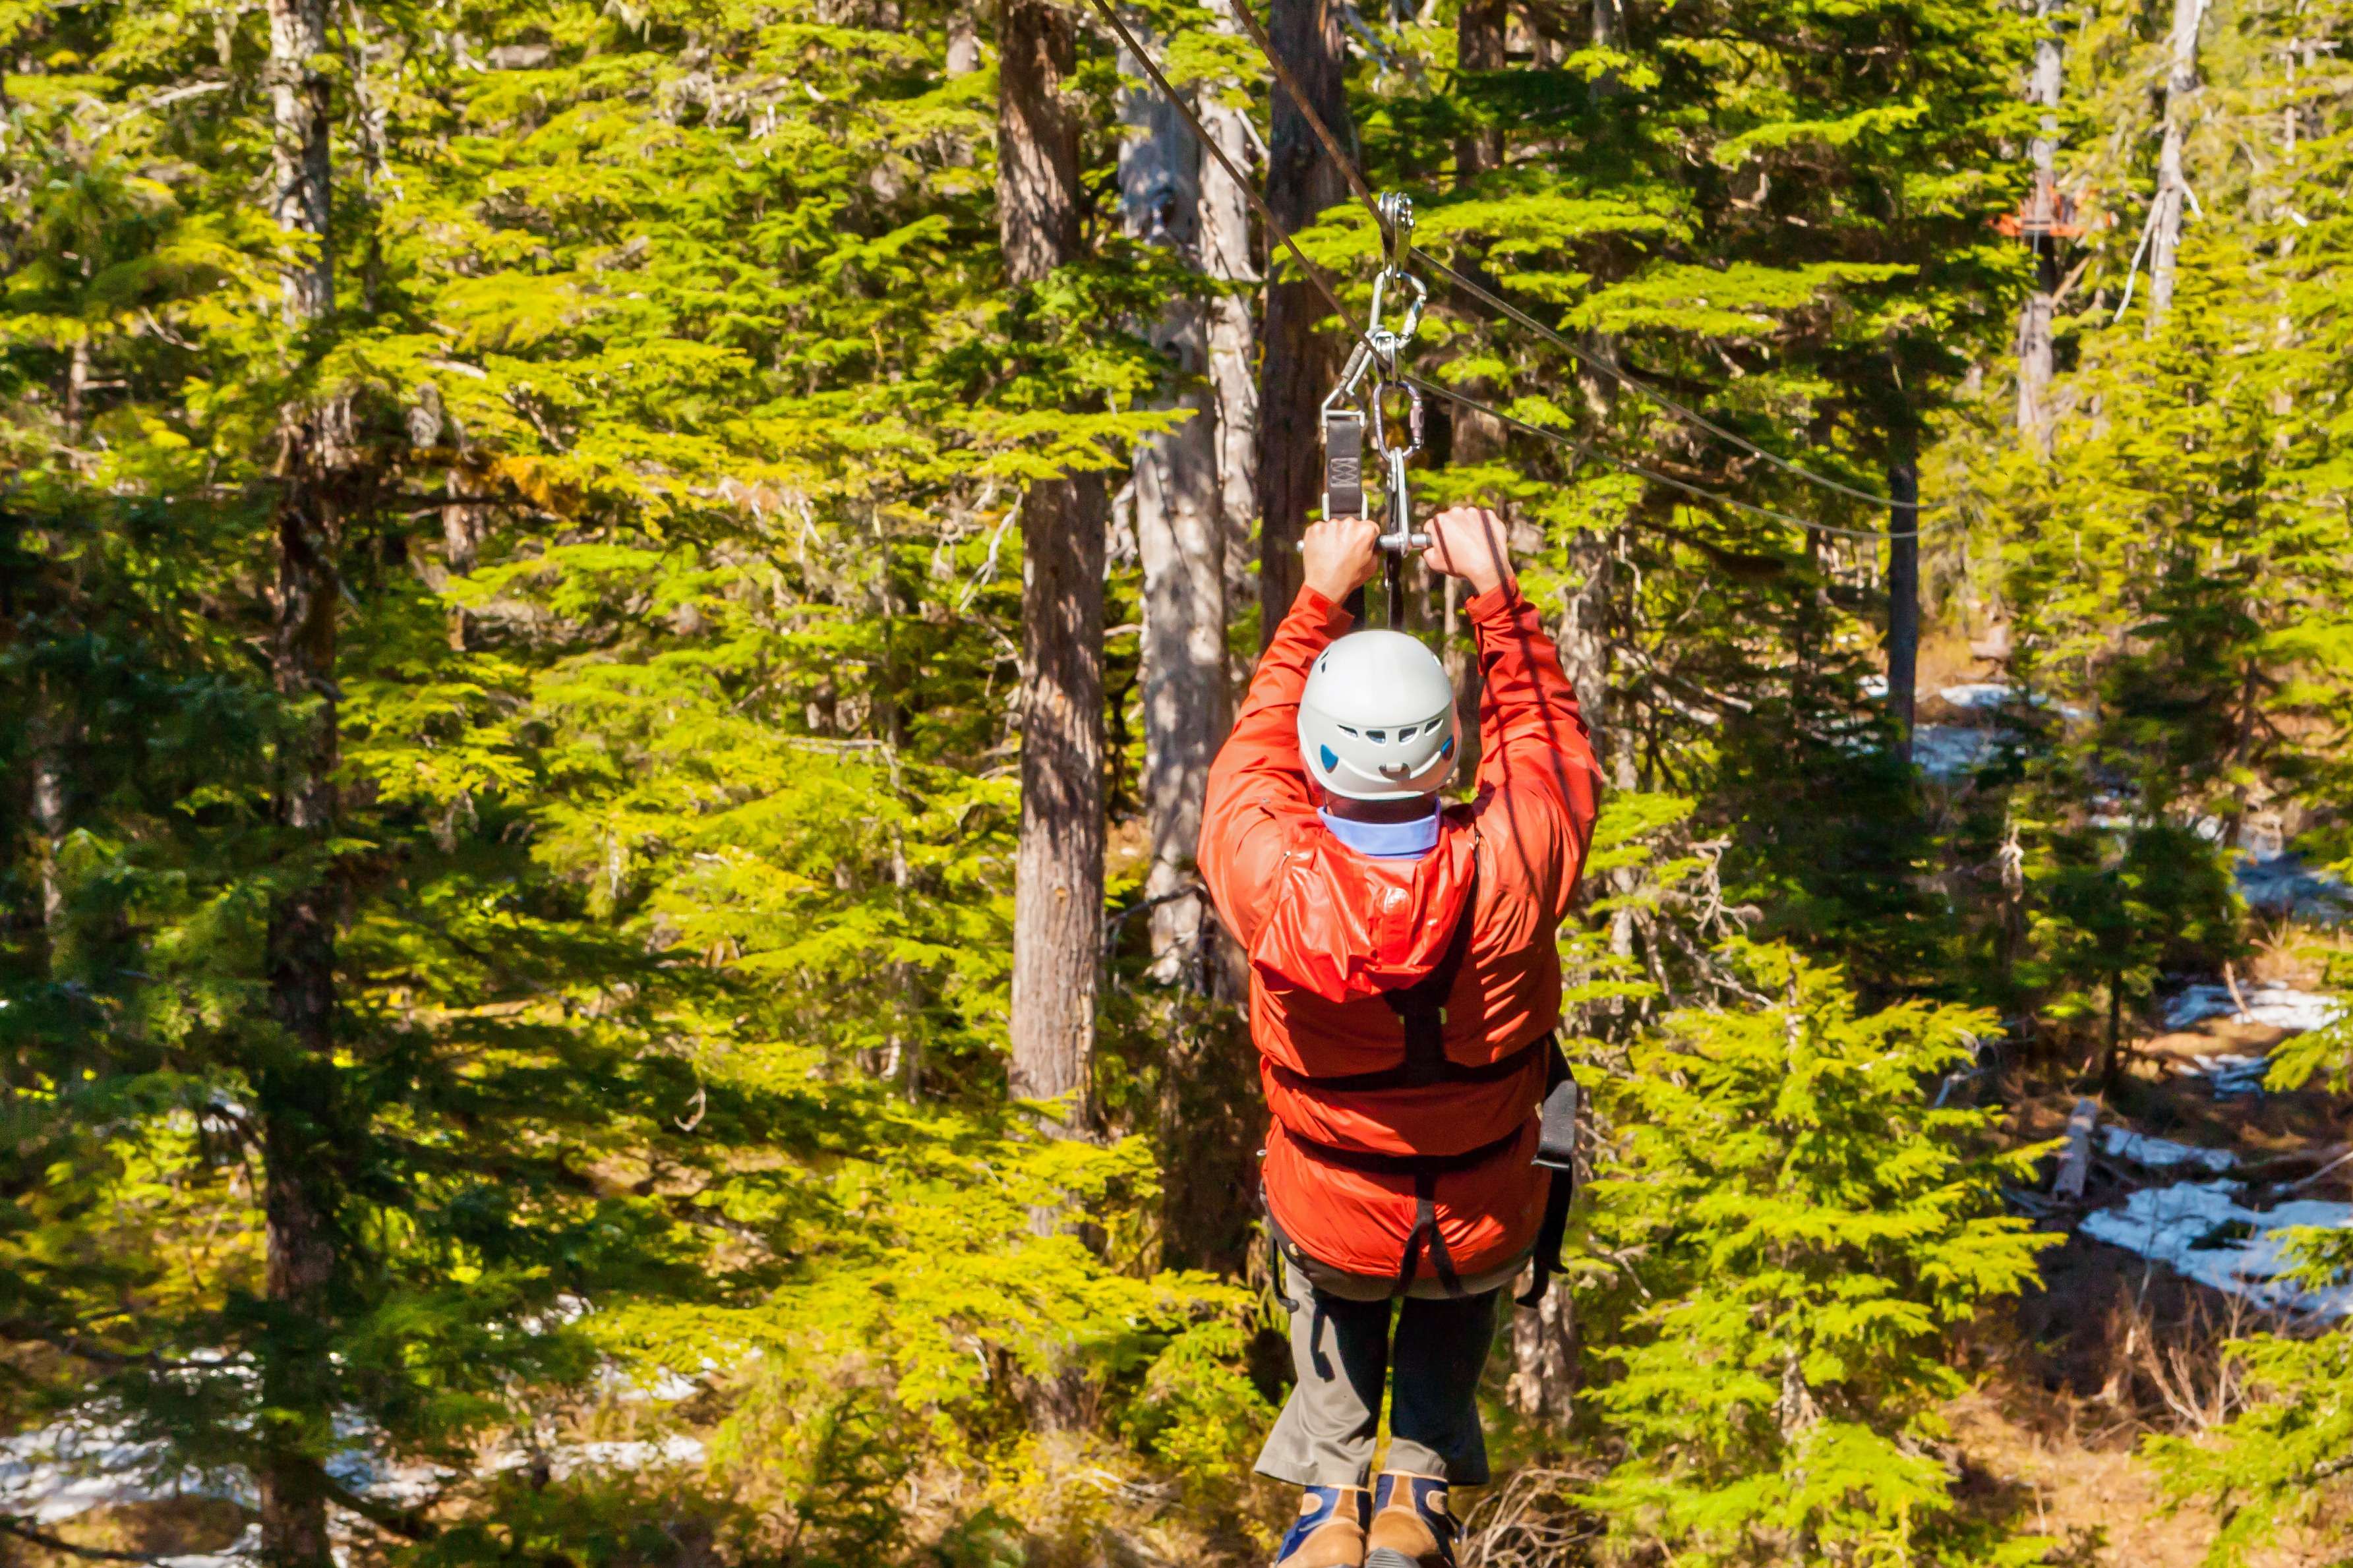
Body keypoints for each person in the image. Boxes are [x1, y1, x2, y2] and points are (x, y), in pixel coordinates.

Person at [1197, 506, 1603, 1568]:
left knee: (1335, 1282)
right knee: (1455, 1277)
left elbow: (1248, 763)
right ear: (1446, 746)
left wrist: (1316, 599)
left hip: (1331, 1211)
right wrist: (1493, 592)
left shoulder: (1267, 877)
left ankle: (1330, 1503)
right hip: (1477, 1210)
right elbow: (1546, 746)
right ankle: (1413, 1492)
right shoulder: (1517, 862)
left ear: (1317, 754)